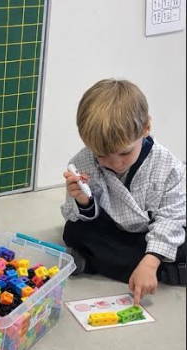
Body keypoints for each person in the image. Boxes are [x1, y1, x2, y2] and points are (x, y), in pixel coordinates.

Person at [61, 79, 186, 304]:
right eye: (102, 156)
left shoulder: (169, 167)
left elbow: (171, 218)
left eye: (125, 153)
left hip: (156, 232)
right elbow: (83, 216)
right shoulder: (83, 162)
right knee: (73, 231)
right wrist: (83, 202)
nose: (115, 163)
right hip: (117, 230)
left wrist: (151, 261)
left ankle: (100, 263)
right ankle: (161, 269)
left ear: (146, 128)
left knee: (181, 244)